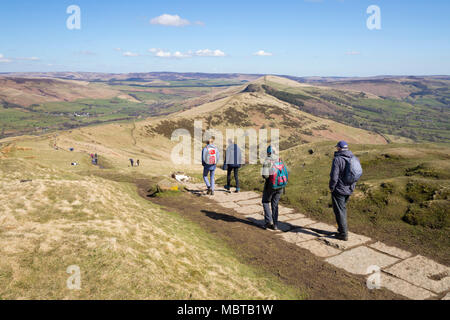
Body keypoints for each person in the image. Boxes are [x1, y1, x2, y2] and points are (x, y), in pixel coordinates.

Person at [329, 141, 357, 241]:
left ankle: (343, 234)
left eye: (337, 147)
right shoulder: (352, 157)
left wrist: (332, 187)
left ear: (339, 148)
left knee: (339, 211)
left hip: (339, 189)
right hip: (349, 188)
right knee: (343, 209)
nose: (336, 149)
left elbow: (334, 176)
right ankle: (342, 229)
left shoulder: (337, 159)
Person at [261, 146, 286, 230]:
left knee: (265, 201)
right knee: (275, 204)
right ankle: (275, 225)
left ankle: (268, 221)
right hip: (281, 185)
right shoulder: (280, 159)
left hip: (271, 185)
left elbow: (265, 175)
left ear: (268, 152)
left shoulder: (268, 160)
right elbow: (286, 171)